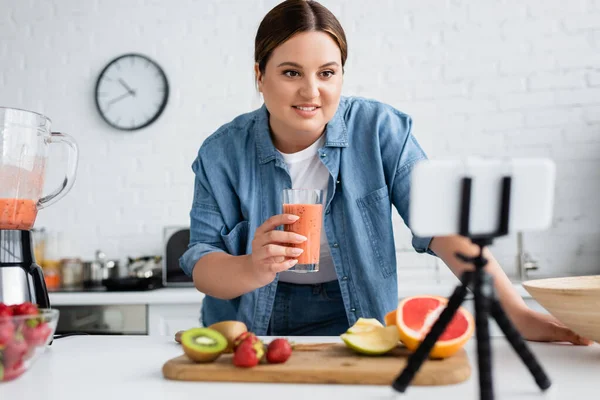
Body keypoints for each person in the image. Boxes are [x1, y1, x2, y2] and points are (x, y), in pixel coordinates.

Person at [180, 0, 590, 344]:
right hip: (247, 323)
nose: (311, 91)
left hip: (357, 314)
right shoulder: (222, 152)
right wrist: (253, 266)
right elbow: (202, 263)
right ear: (259, 76)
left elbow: (444, 228)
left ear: (341, 75)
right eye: (291, 73)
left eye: (327, 72)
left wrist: (515, 313)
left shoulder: (379, 131)